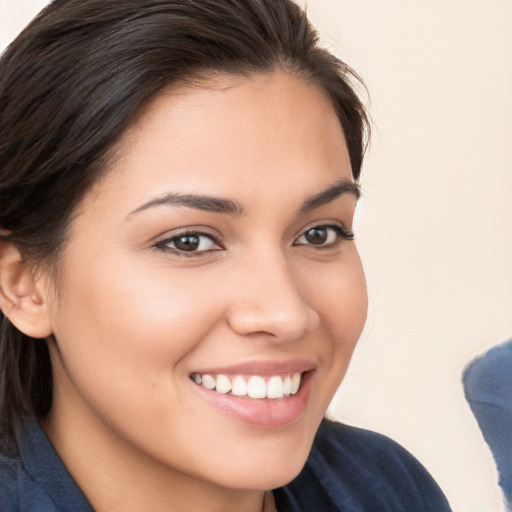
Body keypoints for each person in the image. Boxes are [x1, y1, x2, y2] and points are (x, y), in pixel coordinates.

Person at [0, 1, 451, 510]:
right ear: (24, 284)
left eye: (320, 233)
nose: (285, 313)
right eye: (188, 241)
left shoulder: (384, 488)